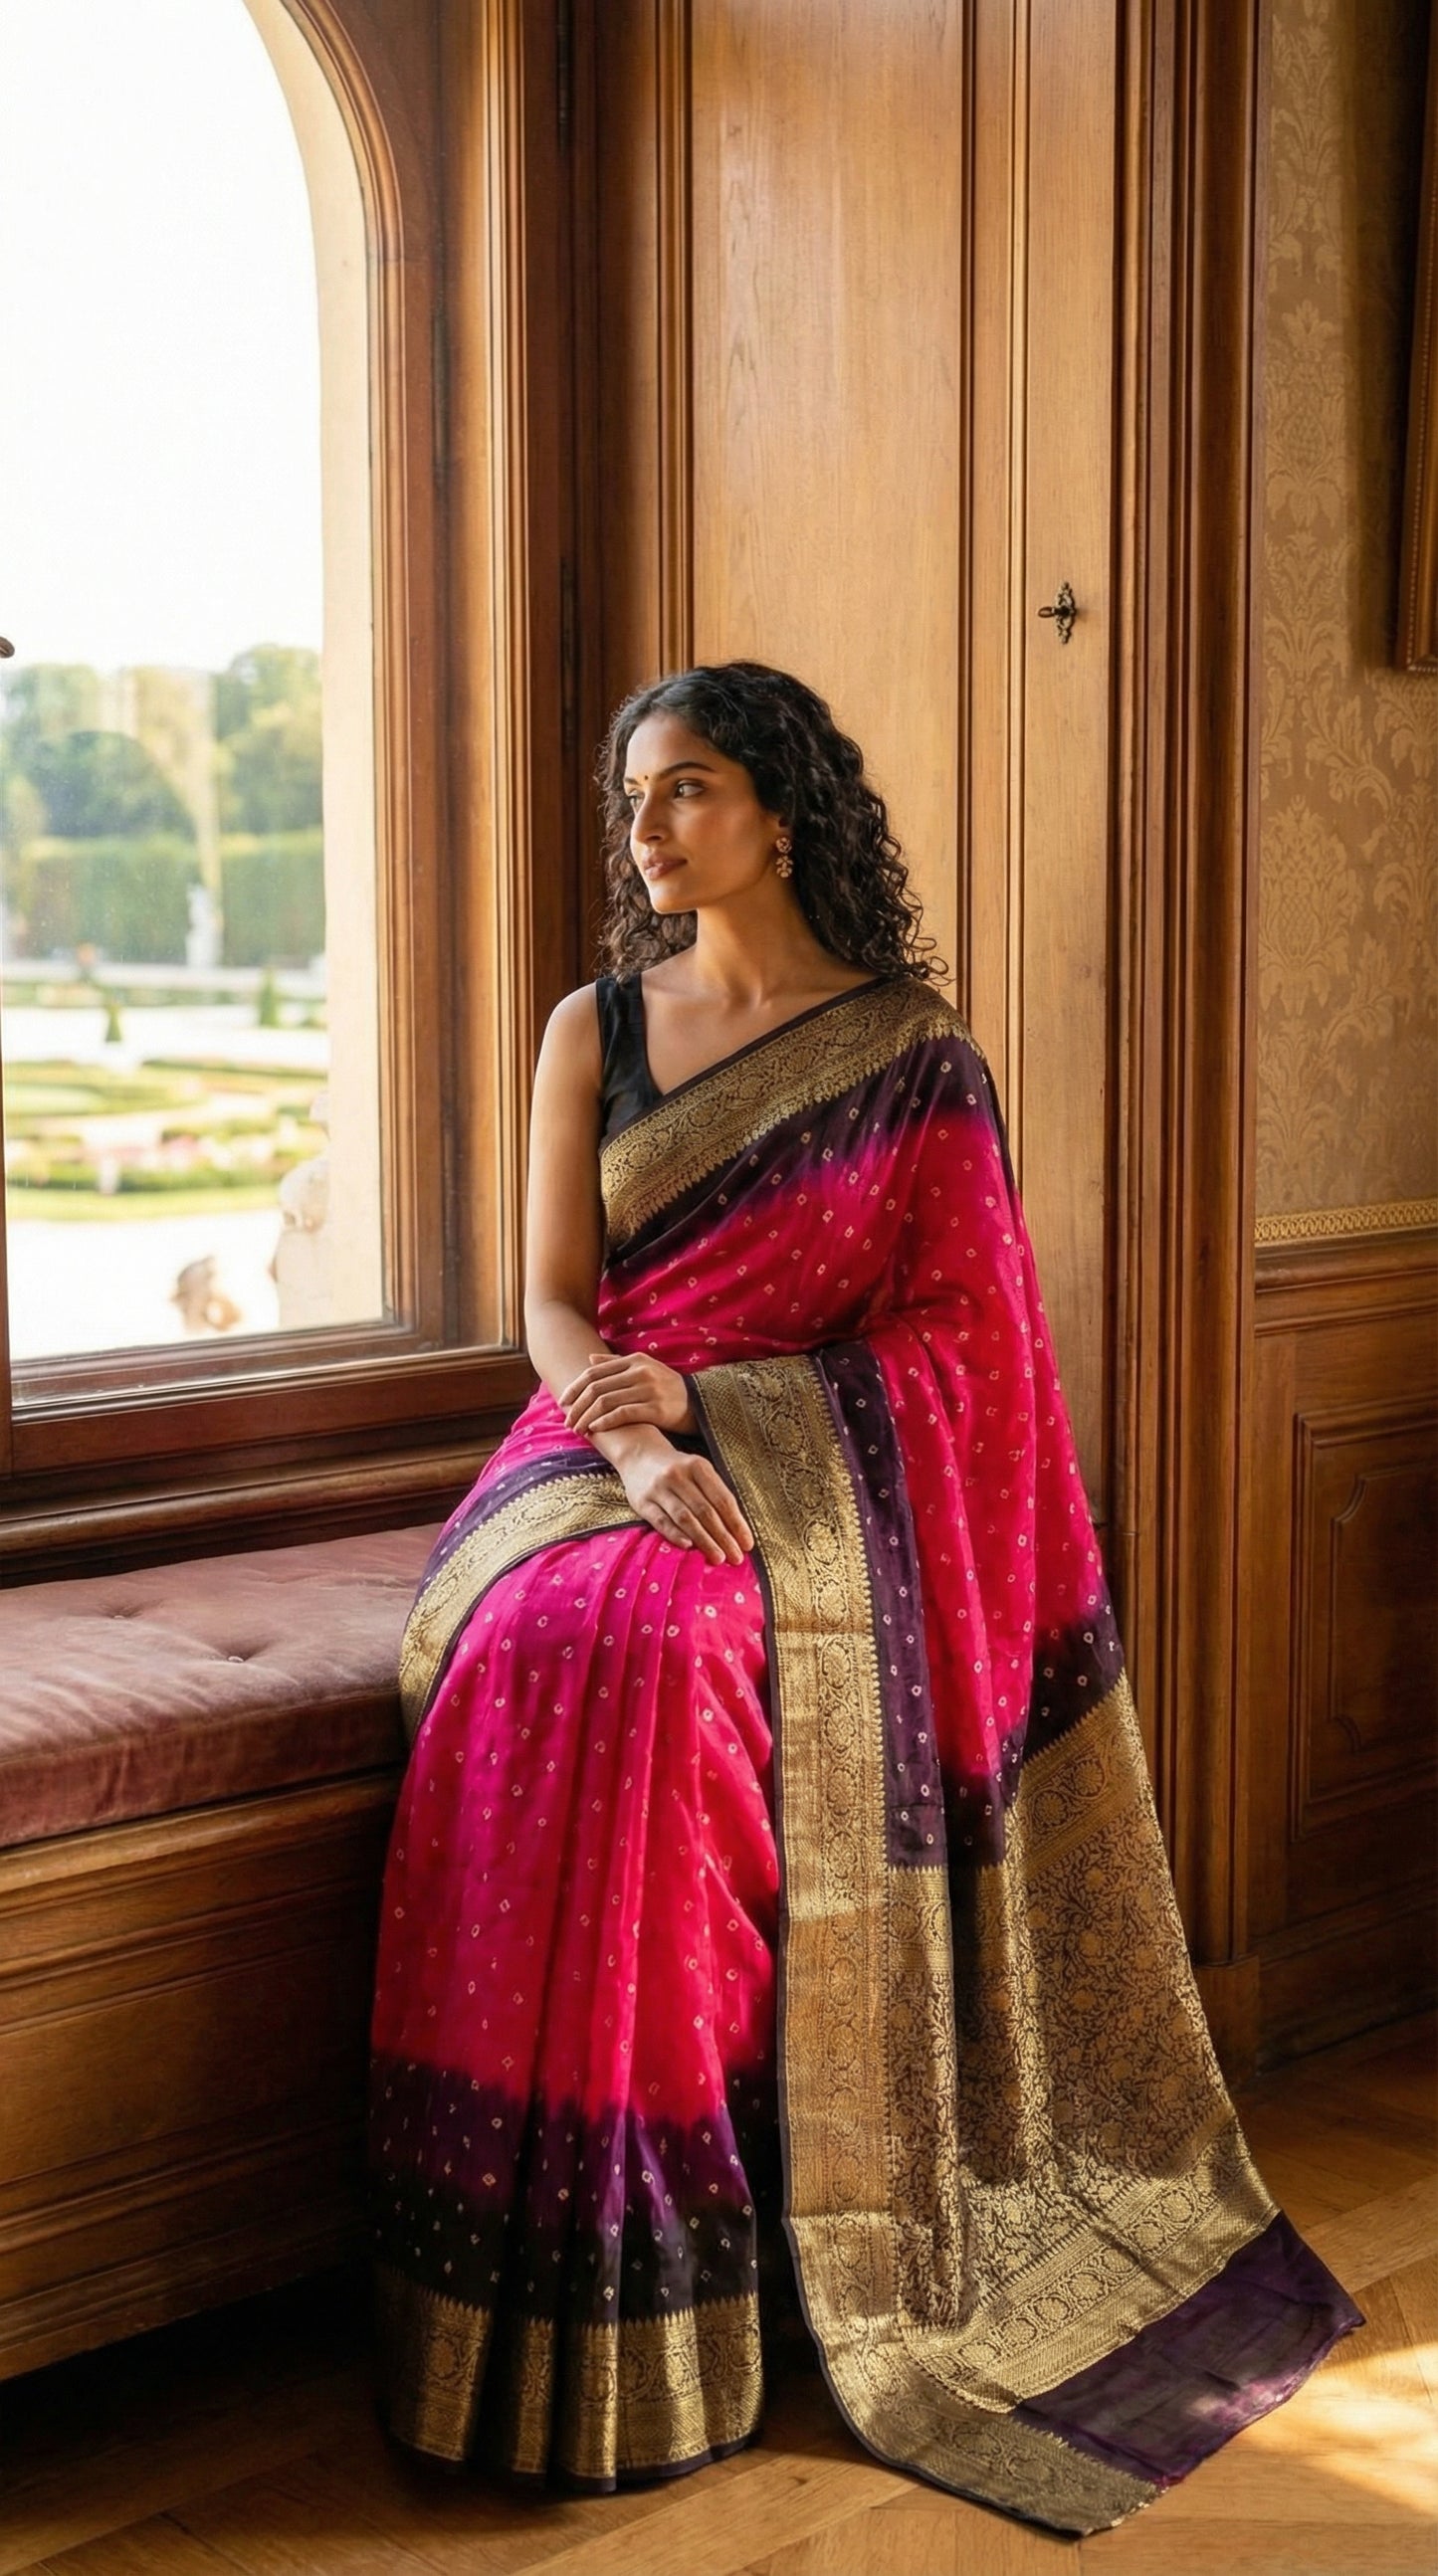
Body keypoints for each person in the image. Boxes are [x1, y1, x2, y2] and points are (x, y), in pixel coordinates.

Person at [369, 662, 1360, 2536]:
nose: (646, 829)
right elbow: (556, 1296)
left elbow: (970, 1347)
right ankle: (521, 2277)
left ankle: (703, 2255)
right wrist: (631, 1439)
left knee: (665, 1654)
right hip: (590, 1443)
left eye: (684, 789)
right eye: (635, 796)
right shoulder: (596, 1024)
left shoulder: (907, 1051)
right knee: (543, 1633)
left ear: (783, 810)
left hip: (811, 1478)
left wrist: (728, 1425)